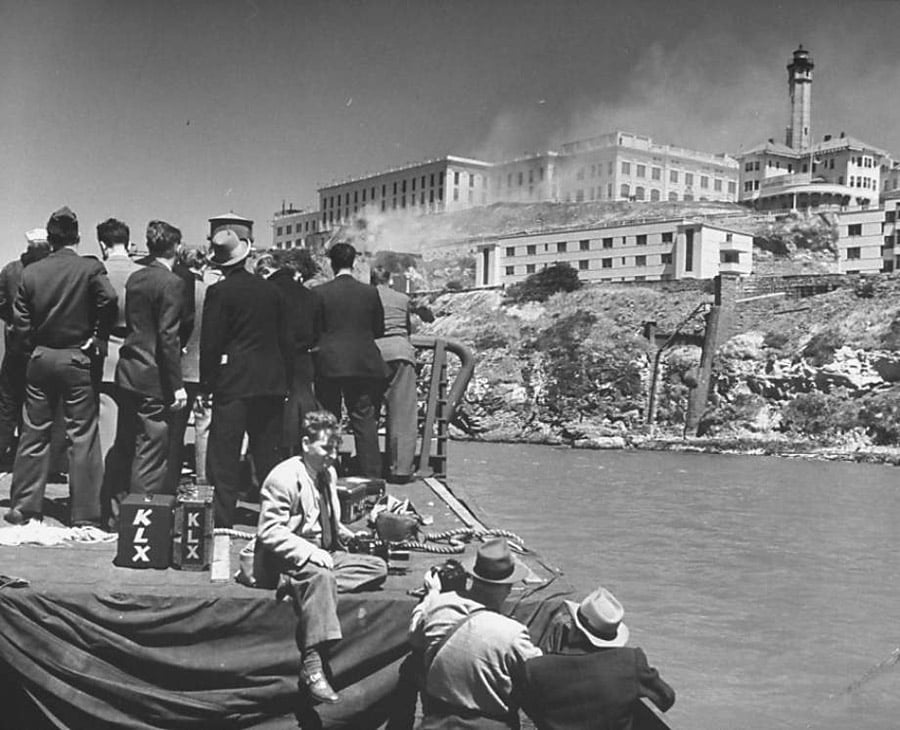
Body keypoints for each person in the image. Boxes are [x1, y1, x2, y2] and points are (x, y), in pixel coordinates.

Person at [250, 409, 388, 704]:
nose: (332, 456)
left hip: (324, 553)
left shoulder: (328, 474)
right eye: (326, 448)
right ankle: (312, 665)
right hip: (287, 556)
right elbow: (269, 532)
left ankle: (310, 591)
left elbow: (325, 518)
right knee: (322, 577)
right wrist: (309, 552)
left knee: (376, 567)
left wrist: (347, 535)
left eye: (335, 449)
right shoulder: (284, 477)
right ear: (305, 443)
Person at [4, 206, 116, 527]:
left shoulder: (31, 272)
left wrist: (29, 351)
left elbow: (19, 324)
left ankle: (24, 506)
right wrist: (97, 335)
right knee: (81, 434)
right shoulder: (89, 269)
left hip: (40, 356)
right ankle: (86, 513)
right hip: (76, 356)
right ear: (77, 237)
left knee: (33, 431)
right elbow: (108, 300)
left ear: (49, 238)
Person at [200, 228, 290, 527]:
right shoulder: (273, 292)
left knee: (223, 454)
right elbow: (284, 338)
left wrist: (206, 383)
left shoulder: (219, 292)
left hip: (234, 380)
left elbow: (211, 343)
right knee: (267, 454)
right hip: (270, 380)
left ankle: (223, 518)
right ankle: (274, 516)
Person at [101, 221, 187, 530]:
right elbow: (168, 337)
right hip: (154, 377)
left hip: (129, 369)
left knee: (125, 444)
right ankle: (139, 522)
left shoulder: (136, 278)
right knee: (151, 450)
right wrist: (176, 385)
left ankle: (114, 515)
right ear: (176, 247)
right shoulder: (172, 283)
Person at [408, 538, 541, 729]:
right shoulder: (512, 633)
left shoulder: (437, 605)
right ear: (509, 586)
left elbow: (414, 635)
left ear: (473, 576)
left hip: (437, 722)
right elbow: (540, 677)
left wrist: (430, 597)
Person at [521, 586, 675, 730]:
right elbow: (666, 697)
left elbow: (530, 708)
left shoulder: (537, 668)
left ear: (575, 628)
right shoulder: (630, 661)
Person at [312, 243, 389, 477]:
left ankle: (327, 471)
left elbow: (314, 330)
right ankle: (371, 476)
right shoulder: (369, 292)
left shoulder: (319, 293)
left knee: (328, 418)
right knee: (364, 419)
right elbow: (379, 329)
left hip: (329, 362)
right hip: (362, 362)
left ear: (331, 263)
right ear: (353, 262)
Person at [255, 252, 318, 456]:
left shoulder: (267, 292)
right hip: (303, 356)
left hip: (273, 355)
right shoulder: (310, 295)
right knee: (304, 402)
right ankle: (305, 448)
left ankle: (277, 453)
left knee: (274, 411)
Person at [0, 229, 51, 466]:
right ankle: (33, 453)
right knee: (39, 403)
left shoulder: (12, 270)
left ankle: (3, 451)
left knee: (9, 399)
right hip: (44, 346)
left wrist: (11, 321)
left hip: (15, 345)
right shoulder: (51, 271)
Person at [370, 266, 419, 483]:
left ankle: (368, 466)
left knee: (367, 413)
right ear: (389, 279)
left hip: (371, 355)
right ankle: (400, 470)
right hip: (401, 354)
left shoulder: (367, 295)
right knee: (402, 415)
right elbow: (408, 328)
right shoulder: (402, 298)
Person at [96, 218, 142, 386]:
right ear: (128, 243)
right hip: (139, 359)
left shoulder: (95, 272)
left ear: (102, 244)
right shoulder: (145, 274)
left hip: (104, 357)